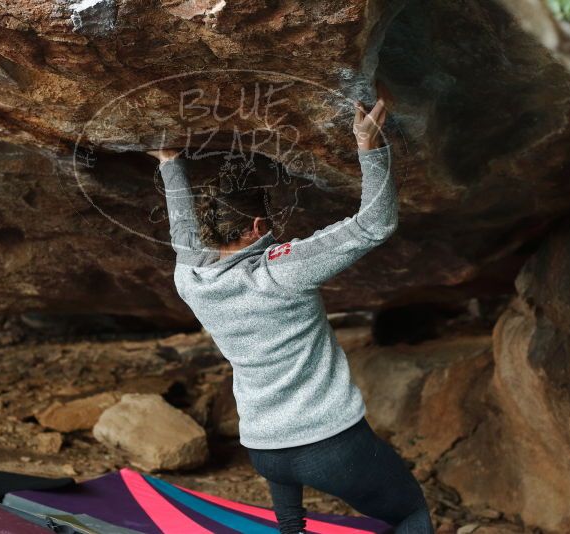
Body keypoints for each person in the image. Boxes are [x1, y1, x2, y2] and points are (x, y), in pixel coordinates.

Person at [147, 97, 433, 534]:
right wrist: (369, 146)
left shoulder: (189, 277)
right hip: (331, 444)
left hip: (265, 448)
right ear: (259, 227)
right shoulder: (280, 271)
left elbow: (181, 231)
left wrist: (170, 162)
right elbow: (374, 224)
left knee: (291, 529)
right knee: (411, 513)